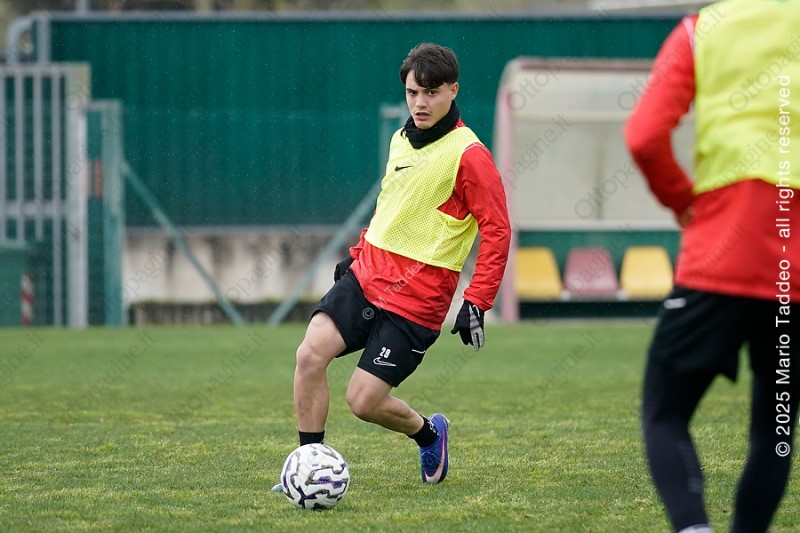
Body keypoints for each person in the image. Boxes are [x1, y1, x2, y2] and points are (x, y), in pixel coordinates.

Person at [272, 42, 511, 489]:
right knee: (309, 355)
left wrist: (477, 300)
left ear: (453, 90)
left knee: (363, 402)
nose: (420, 103)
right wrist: (358, 253)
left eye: (431, 93)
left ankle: (429, 434)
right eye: (412, 93)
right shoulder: (401, 139)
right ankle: (308, 468)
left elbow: (497, 230)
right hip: (368, 276)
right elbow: (392, 206)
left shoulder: (470, 155)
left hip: (417, 301)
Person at [624, 1, 799, 531]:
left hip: (723, 250)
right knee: (775, 429)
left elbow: (644, 137)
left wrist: (684, 202)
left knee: (665, 411)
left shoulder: (702, 29)